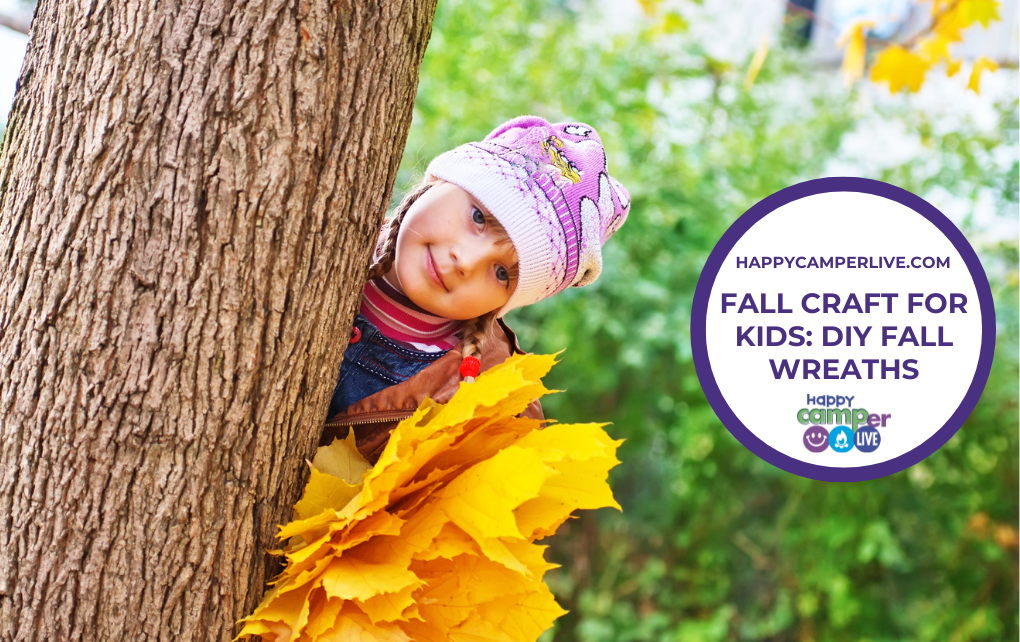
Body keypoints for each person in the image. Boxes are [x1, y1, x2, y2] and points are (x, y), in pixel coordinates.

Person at [321, 115, 631, 464]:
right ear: (441, 180)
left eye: (501, 274)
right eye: (480, 218)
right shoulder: (325, 229)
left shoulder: (489, 404)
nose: (466, 262)